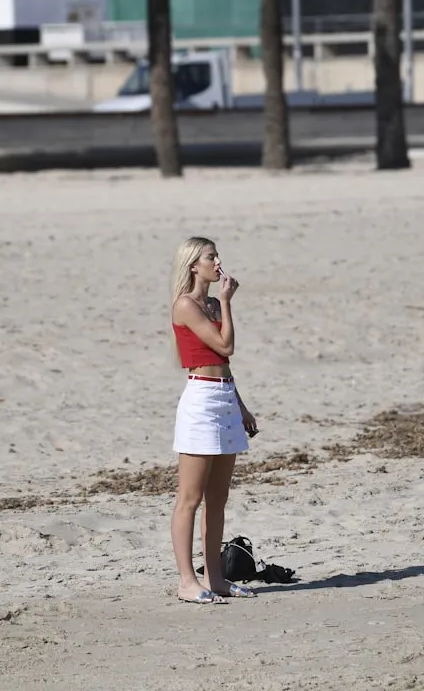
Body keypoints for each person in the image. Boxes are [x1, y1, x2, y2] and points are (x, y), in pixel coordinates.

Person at [169, 236, 259, 605]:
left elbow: (226, 362)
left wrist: (241, 405)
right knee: (189, 498)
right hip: (201, 399)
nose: (217, 261)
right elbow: (225, 345)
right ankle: (187, 581)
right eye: (210, 257)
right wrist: (224, 301)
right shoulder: (188, 305)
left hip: (223, 394)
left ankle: (216, 577)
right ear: (194, 265)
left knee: (218, 498)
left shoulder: (209, 303)